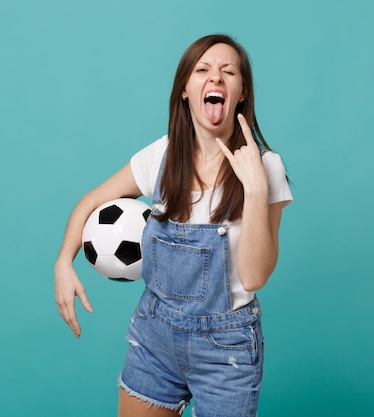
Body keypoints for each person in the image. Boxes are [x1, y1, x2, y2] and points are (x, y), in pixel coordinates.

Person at [54, 34, 293, 417]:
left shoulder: (266, 168)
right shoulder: (161, 156)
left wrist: (255, 188)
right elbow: (91, 201)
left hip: (226, 350)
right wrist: (63, 263)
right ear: (186, 89)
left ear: (242, 92)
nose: (215, 78)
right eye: (203, 70)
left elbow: (254, 276)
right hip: (154, 335)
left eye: (227, 72)